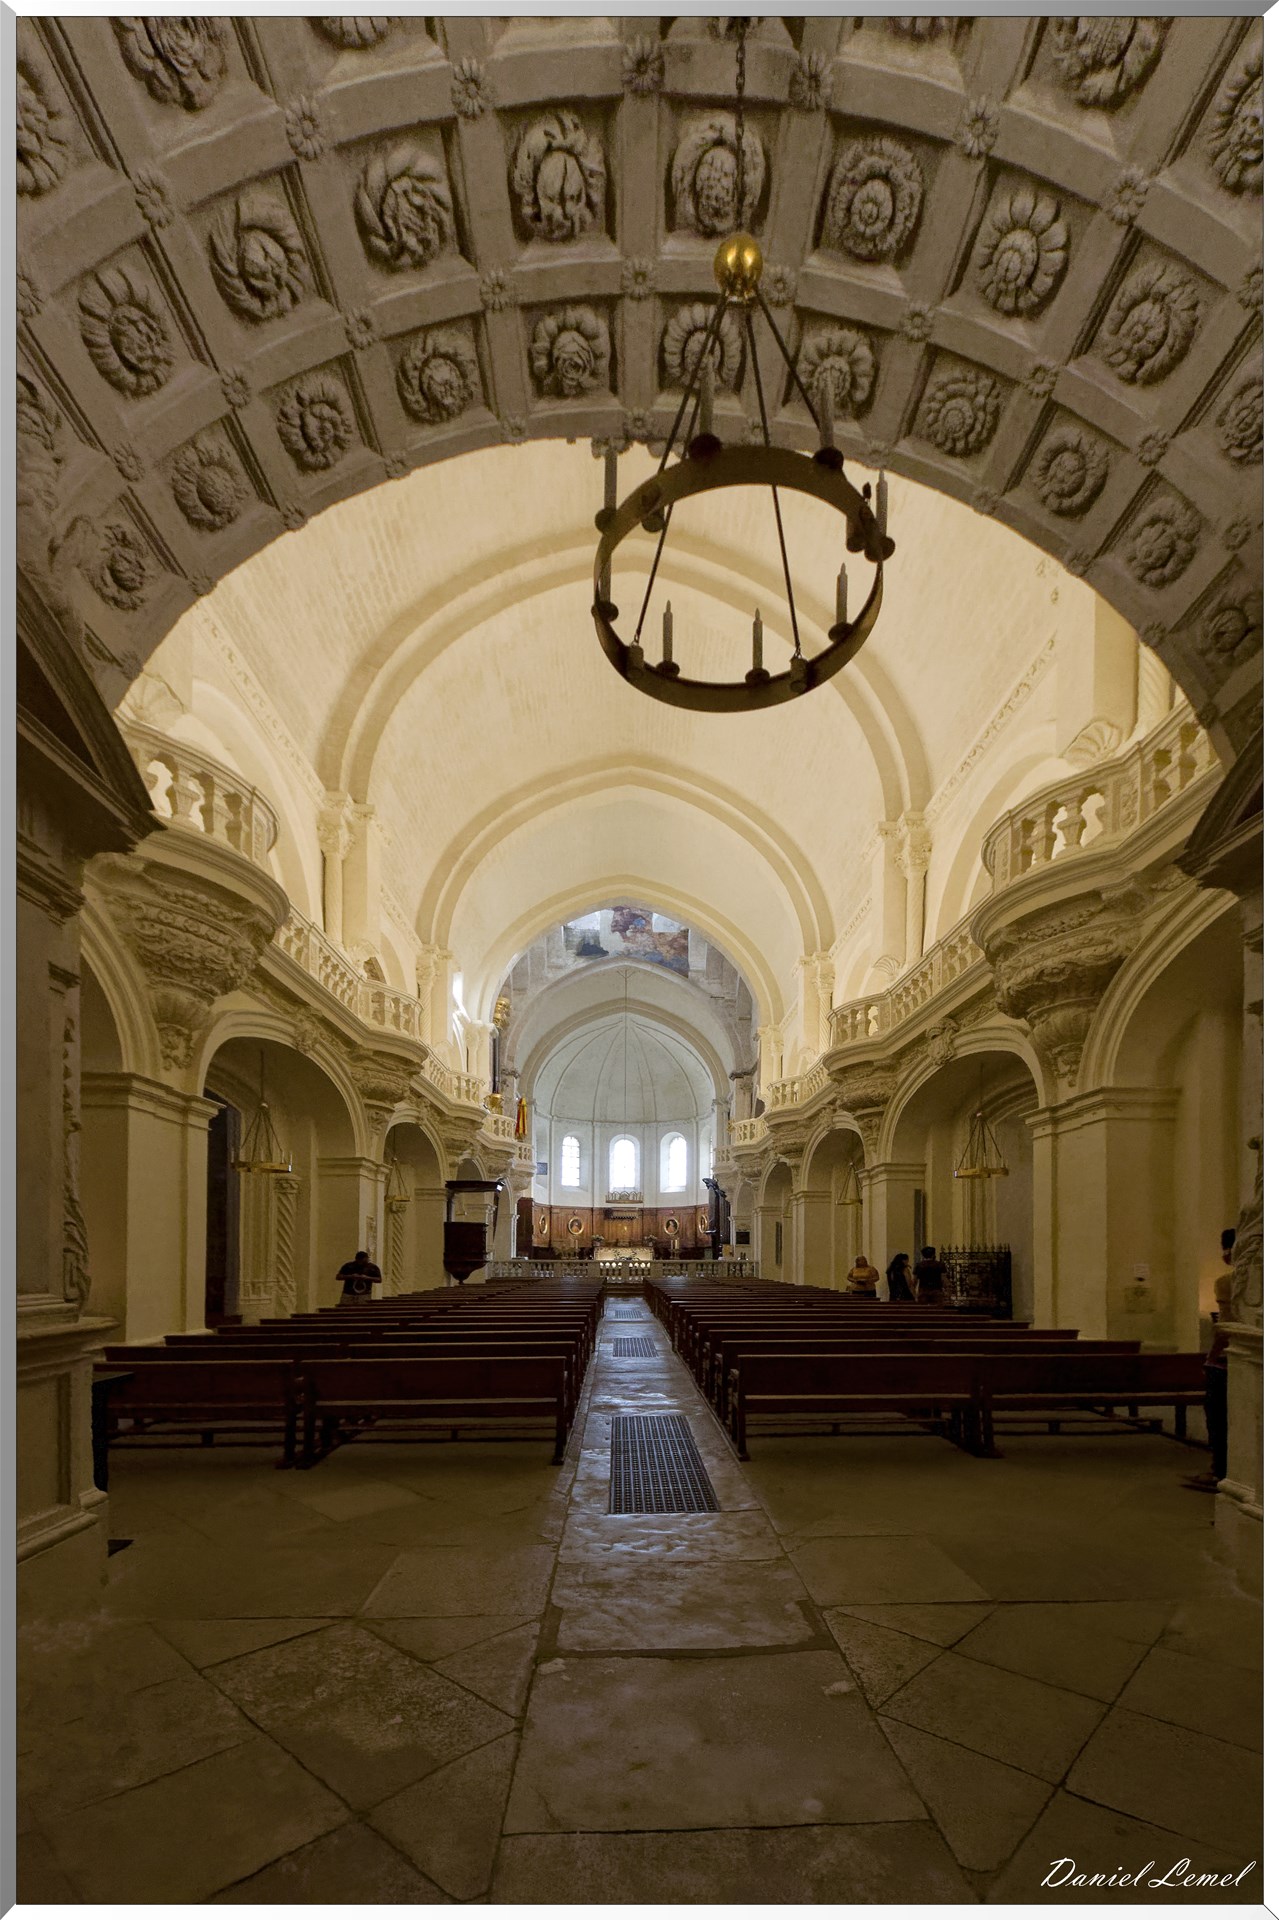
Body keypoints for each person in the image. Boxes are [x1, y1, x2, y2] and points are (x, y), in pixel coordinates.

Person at [1185, 1229, 1234, 1492]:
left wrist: (1211, 1358)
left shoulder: (1228, 1282)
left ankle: (1221, 1470)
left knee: (1219, 1418)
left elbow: (1226, 1326)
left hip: (1228, 1362)